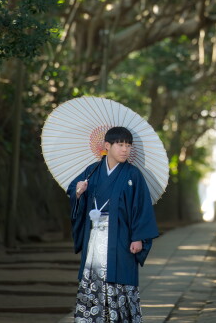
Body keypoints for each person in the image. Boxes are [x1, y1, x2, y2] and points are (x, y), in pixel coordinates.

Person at [67, 126, 159, 322]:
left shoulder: (133, 174)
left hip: (122, 236)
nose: (125, 149)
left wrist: (139, 237)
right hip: (95, 234)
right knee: (94, 278)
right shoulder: (92, 171)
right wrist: (78, 192)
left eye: (128, 145)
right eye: (120, 144)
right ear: (107, 146)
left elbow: (142, 207)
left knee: (120, 279)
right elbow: (72, 192)